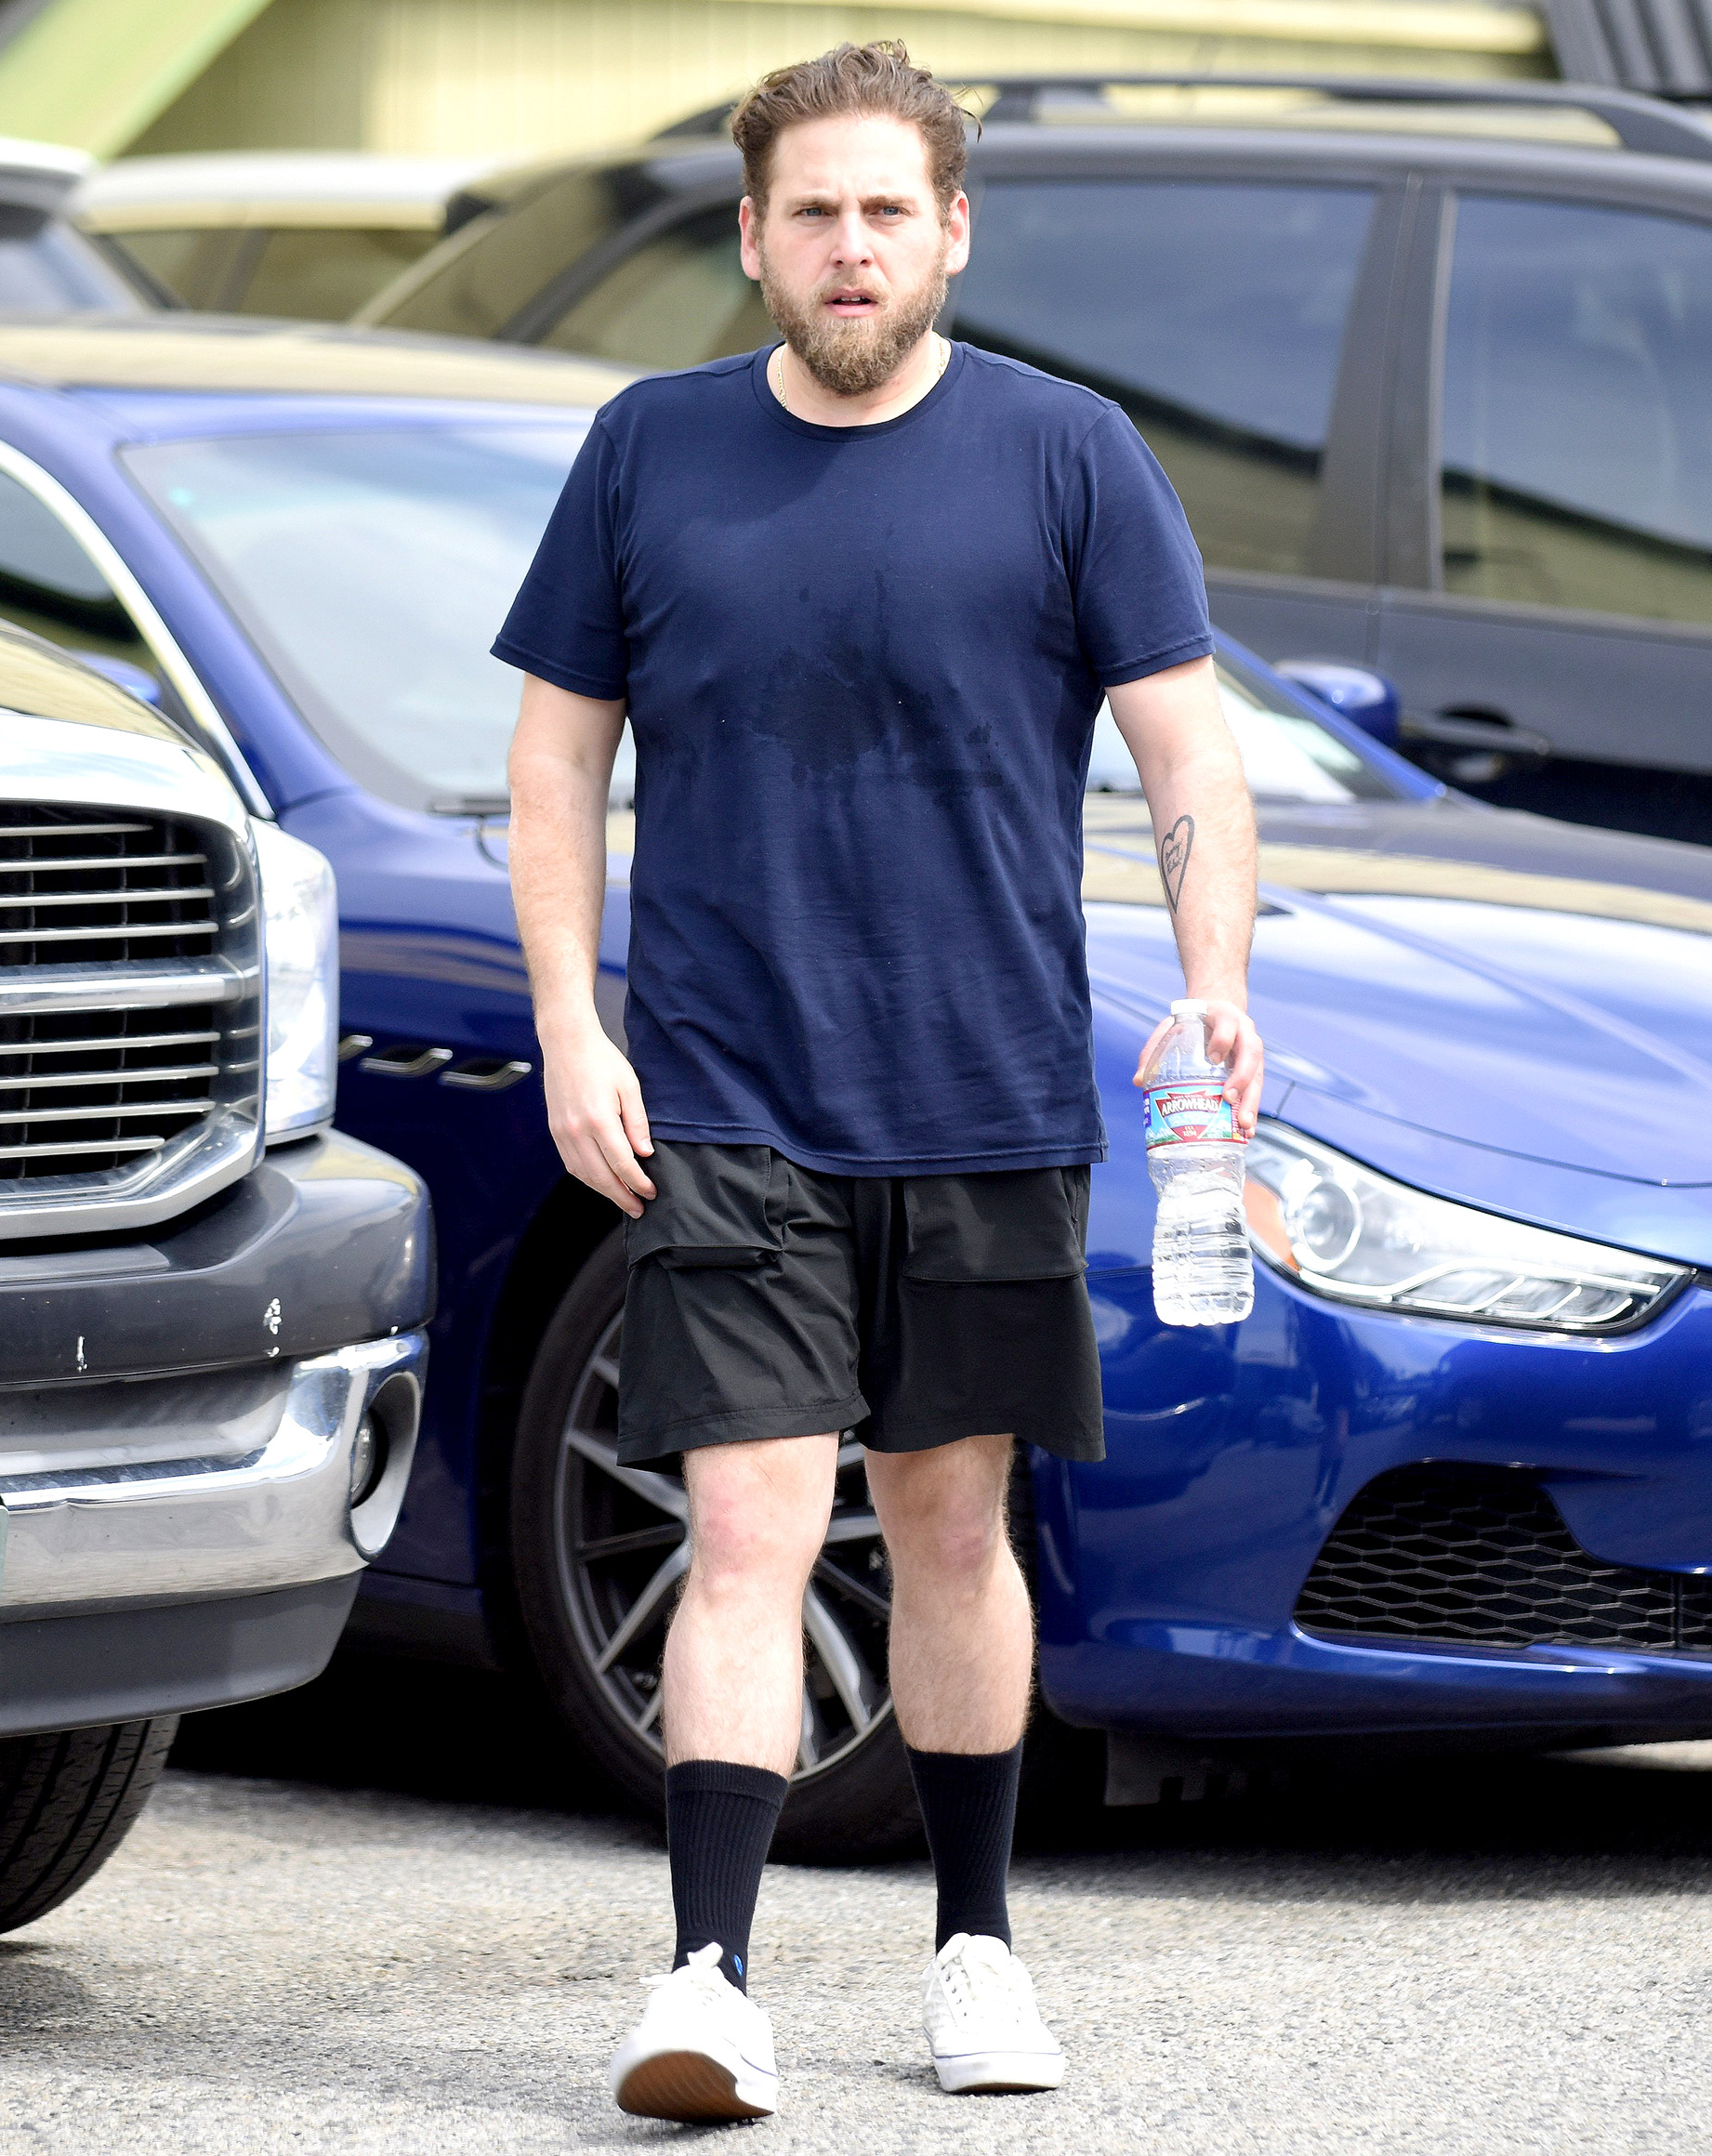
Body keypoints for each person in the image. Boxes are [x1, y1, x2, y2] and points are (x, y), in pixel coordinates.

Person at [496, 38, 1263, 2124]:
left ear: (949, 233)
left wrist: (1211, 989)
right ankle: (707, 1977)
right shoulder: (648, 452)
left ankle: (976, 1945)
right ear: (751, 240)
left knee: (948, 1520)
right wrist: (574, 1016)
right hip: (728, 1088)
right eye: (811, 213)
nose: (848, 248)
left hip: (991, 1086)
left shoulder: (1068, 451)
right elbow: (558, 757)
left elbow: (1186, 747)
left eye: (883, 212)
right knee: (749, 1521)